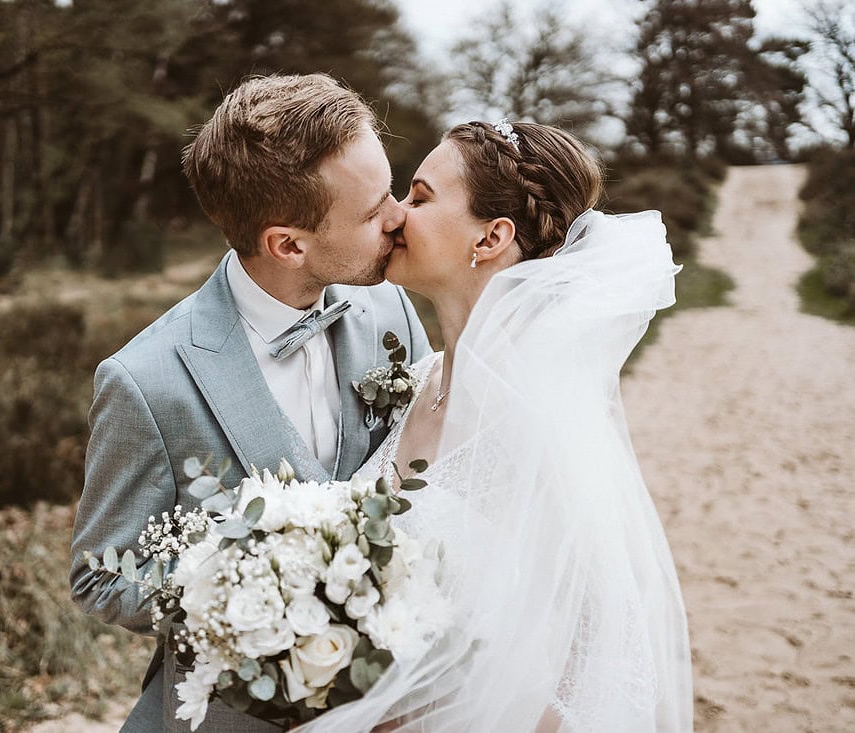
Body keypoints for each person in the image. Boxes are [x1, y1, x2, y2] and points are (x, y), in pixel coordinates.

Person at [69, 73, 431, 733]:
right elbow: (100, 574)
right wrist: (252, 597)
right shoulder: (147, 382)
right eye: (373, 207)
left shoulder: (391, 309)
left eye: (392, 187)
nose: (399, 215)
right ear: (288, 244)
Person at [305, 120, 694, 731]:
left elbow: (594, 661)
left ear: (491, 237)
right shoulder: (424, 380)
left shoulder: (536, 424)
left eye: (421, 196)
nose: (398, 215)